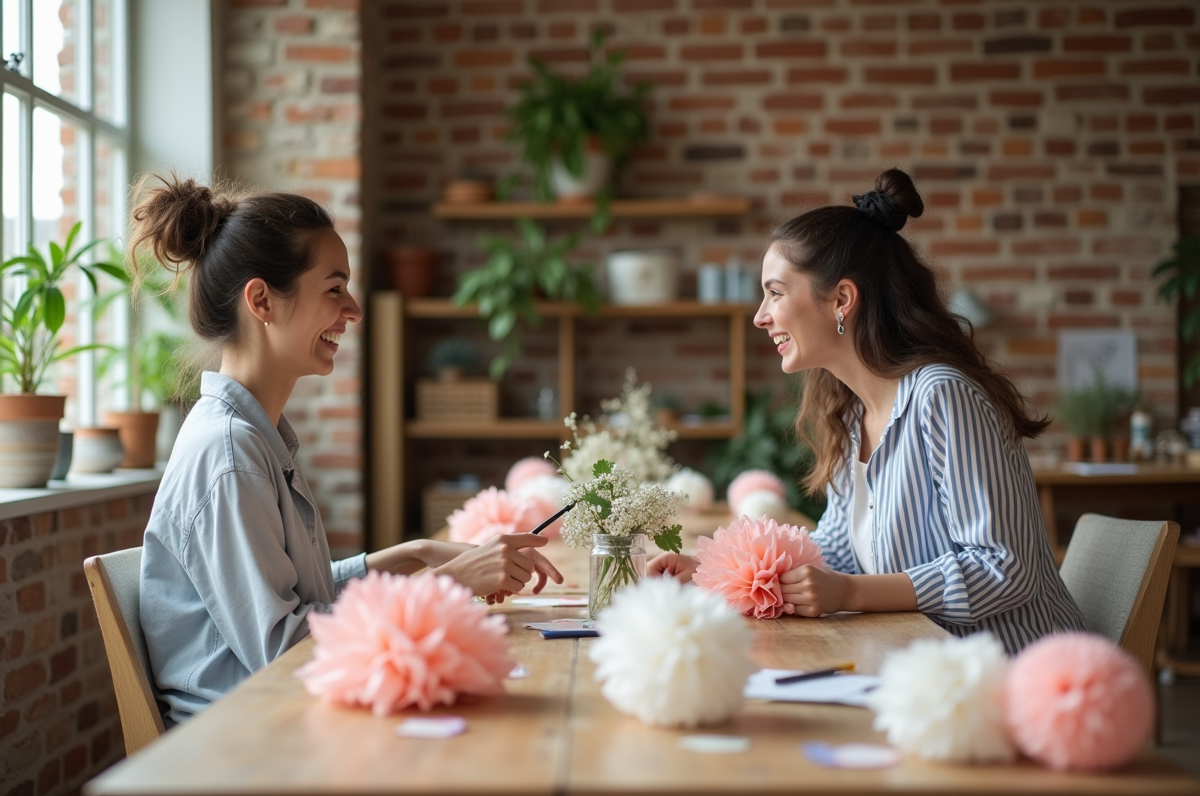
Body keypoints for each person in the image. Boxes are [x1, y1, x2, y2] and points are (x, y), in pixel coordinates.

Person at [132, 177, 562, 725]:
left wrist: (419, 555)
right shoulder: (229, 454)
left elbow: (300, 599)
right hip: (249, 741)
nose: (354, 309)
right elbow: (284, 651)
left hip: (286, 716)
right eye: (334, 289)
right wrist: (453, 581)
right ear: (261, 300)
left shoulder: (256, 434)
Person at [651, 168, 1086, 653]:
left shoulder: (941, 396)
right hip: (920, 668)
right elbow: (833, 554)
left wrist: (852, 592)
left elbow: (1003, 569)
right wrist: (717, 575)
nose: (760, 315)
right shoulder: (851, 415)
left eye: (775, 292)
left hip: (1010, 677)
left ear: (841, 299)